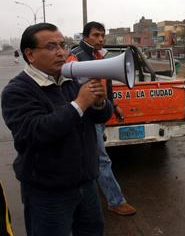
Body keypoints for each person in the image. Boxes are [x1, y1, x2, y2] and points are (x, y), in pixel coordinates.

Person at [1, 23, 113, 236]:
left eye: (63, 45)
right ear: (30, 54)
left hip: (86, 183)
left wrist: (99, 102)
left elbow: (100, 117)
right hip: (48, 193)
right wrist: (79, 104)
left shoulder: (71, 80)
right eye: (51, 47)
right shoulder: (17, 91)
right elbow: (33, 132)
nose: (61, 52)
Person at [67, 21, 136, 216]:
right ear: (85, 36)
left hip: (98, 112)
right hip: (86, 115)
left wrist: (113, 105)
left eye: (102, 36)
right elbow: (71, 90)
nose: (100, 39)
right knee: (102, 159)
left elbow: (107, 86)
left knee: (92, 156)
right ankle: (115, 201)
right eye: (96, 35)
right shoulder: (76, 57)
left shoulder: (98, 55)